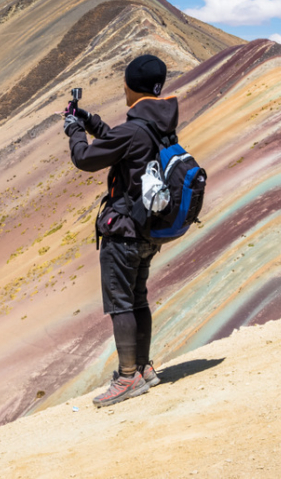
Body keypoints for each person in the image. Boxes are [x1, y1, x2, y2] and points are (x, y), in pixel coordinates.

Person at [63, 54, 177, 408]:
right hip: (147, 231)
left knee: (121, 303)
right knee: (138, 298)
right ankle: (143, 369)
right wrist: (90, 120)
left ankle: (127, 378)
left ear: (131, 87)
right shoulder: (160, 126)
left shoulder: (135, 130)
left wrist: (74, 131)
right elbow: (120, 142)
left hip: (123, 231)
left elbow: (86, 159)